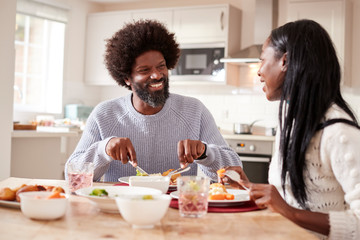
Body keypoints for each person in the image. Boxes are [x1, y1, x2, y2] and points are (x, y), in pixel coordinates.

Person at [220, 19, 360, 240]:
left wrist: (290, 212)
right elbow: (287, 198)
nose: (258, 72)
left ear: (284, 61)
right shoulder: (289, 118)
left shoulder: (339, 133)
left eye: (262, 60)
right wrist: (248, 187)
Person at [65, 19, 241, 182]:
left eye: (161, 66)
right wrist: (103, 150)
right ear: (127, 78)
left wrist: (205, 152)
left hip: (176, 210)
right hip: (120, 209)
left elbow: (235, 172)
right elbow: (73, 178)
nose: (157, 75)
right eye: (144, 70)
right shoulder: (104, 114)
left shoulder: (194, 110)